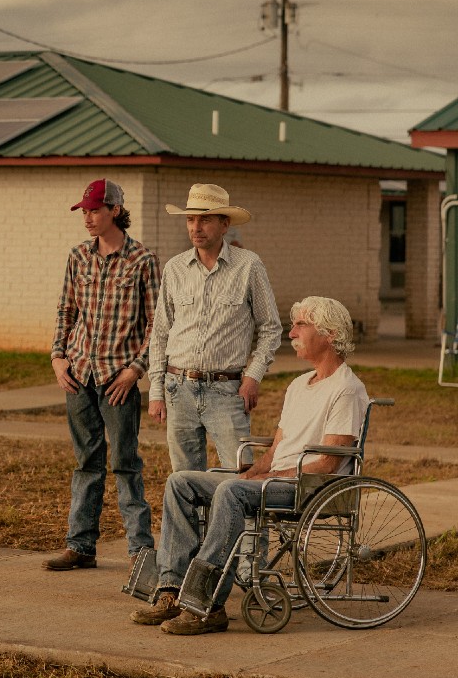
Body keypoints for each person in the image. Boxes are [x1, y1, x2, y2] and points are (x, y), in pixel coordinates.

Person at [130, 296, 369, 635]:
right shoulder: (299, 385)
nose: (292, 332)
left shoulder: (347, 389)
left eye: (301, 325)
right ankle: (170, 591)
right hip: (278, 480)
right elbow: (275, 450)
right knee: (181, 481)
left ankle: (207, 605)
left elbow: (328, 463)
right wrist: (254, 472)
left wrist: (271, 477)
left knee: (230, 491)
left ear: (329, 334)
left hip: (309, 488)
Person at [45, 178, 158, 571]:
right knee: (85, 462)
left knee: (126, 463)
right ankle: (80, 546)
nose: (88, 218)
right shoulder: (78, 257)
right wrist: (58, 358)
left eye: (94, 210)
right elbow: (65, 312)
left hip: (118, 379)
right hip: (78, 373)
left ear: (114, 210)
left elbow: (156, 324)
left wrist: (135, 371)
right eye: (85, 211)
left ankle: (140, 551)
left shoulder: (142, 260)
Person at [147, 183, 281, 473]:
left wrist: (252, 377)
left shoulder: (249, 266)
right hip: (178, 388)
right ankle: (192, 522)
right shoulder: (175, 268)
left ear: (225, 224)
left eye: (205, 219)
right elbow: (159, 333)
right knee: (185, 482)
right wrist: (156, 390)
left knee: (240, 479)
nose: (196, 227)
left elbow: (271, 327)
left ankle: (232, 522)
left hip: (227, 390)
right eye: (190, 219)